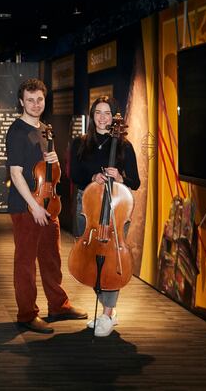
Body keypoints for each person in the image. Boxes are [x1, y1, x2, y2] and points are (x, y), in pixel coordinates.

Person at [6, 78, 88, 334]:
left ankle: (58, 305)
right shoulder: (17, 131)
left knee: (51, 259)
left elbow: (50, 174)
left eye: (39, 99)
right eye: (30, 99)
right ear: (21, 102)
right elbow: (16, 174)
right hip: (26, 207)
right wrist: (34, 207)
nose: (35, 104)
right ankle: (27, 314)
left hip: (48, 205)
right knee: (26, 263)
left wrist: (55, 161)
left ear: (44, 100)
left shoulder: (44, 129)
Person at [70, 96, 140, 337]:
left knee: (112, 260)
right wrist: (92, 178)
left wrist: (120, 178)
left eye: (107, 113)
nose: (102, 117)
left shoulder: (124, 146)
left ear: (113, 117)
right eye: (98, 113)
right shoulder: (79, 143)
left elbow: (136, 182)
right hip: (87, 206)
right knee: (90, 258)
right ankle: (108, 310)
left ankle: (108, 313)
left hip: (116, 210)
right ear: (92, 116)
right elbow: (74, 175)